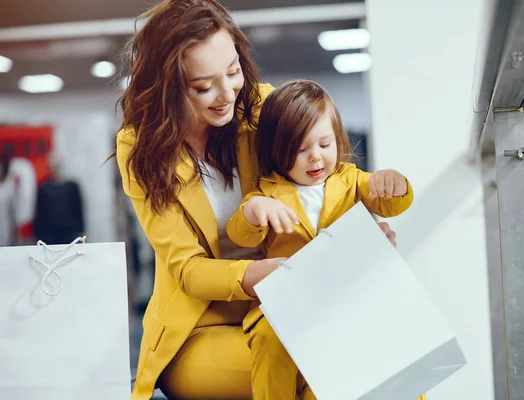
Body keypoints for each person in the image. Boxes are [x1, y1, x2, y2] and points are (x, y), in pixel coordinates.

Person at [114, 1, 398, 399]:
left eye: (233, 72)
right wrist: (261, 274)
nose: (227, 93)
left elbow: (319, 178)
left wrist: (357, 233)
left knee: (379, 356)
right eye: (203, 86)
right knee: (315, 365)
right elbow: (188, 271)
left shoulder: (259, 106)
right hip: (201, 328)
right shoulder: (140, 146)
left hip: (284, 308)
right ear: (168, 88)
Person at [226, 80, 423, 400]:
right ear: (276, 152)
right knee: (268, 339)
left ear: (338, 139)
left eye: (324, 144)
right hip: (287, 302)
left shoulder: (351, 180)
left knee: (389, 335)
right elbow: (240, 232)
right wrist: (254, 210)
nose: (315, 158)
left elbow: (389, 202)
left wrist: (395, 183)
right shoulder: (266, 191)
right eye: (300, 150)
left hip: (346, 296)